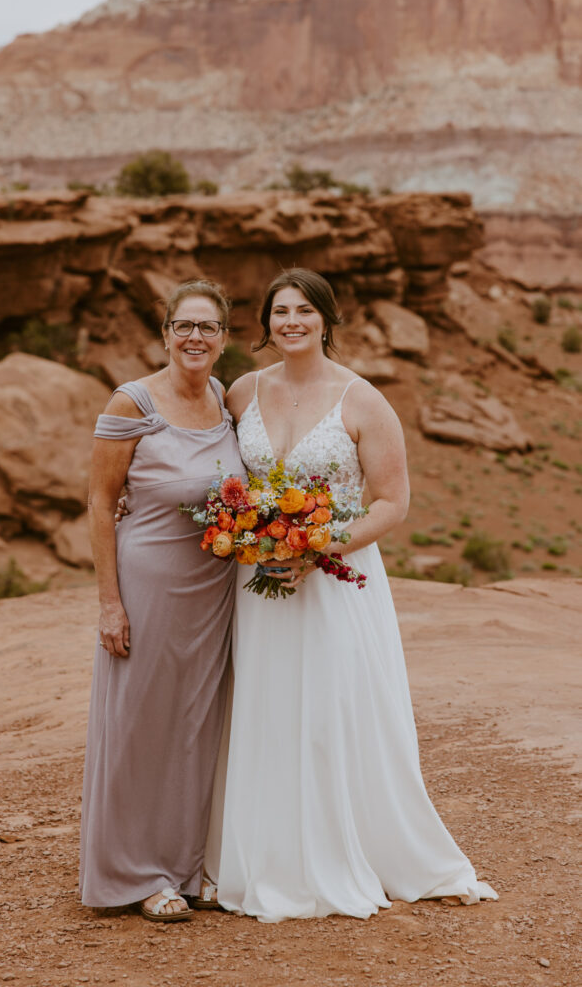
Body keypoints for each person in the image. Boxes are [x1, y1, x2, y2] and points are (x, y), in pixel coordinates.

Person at [204, 267, 497, 922]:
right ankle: (258, 853)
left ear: (326, 321)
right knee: (262, 707)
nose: (290, 322)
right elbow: (211, 468)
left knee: (331, 712)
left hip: (336, 584)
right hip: (257, 583)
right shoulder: (242, 392)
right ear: (265, 324)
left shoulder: (362, 400)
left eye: (304, 310)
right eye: (279, 311)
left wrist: (320, 547)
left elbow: (393, 501)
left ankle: (350, 849)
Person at [79, 279, 245, 922]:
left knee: (197, 728)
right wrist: (108, 603)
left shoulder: (225, 400)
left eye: (208, 328)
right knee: (141, 727)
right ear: (166, 333)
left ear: (224, 339)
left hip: (213, 590)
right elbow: (99, 503)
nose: (195, 338)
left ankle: (185, 869)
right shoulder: (132, 402)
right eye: (185, 326)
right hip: (148, 584)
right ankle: (136, 874)